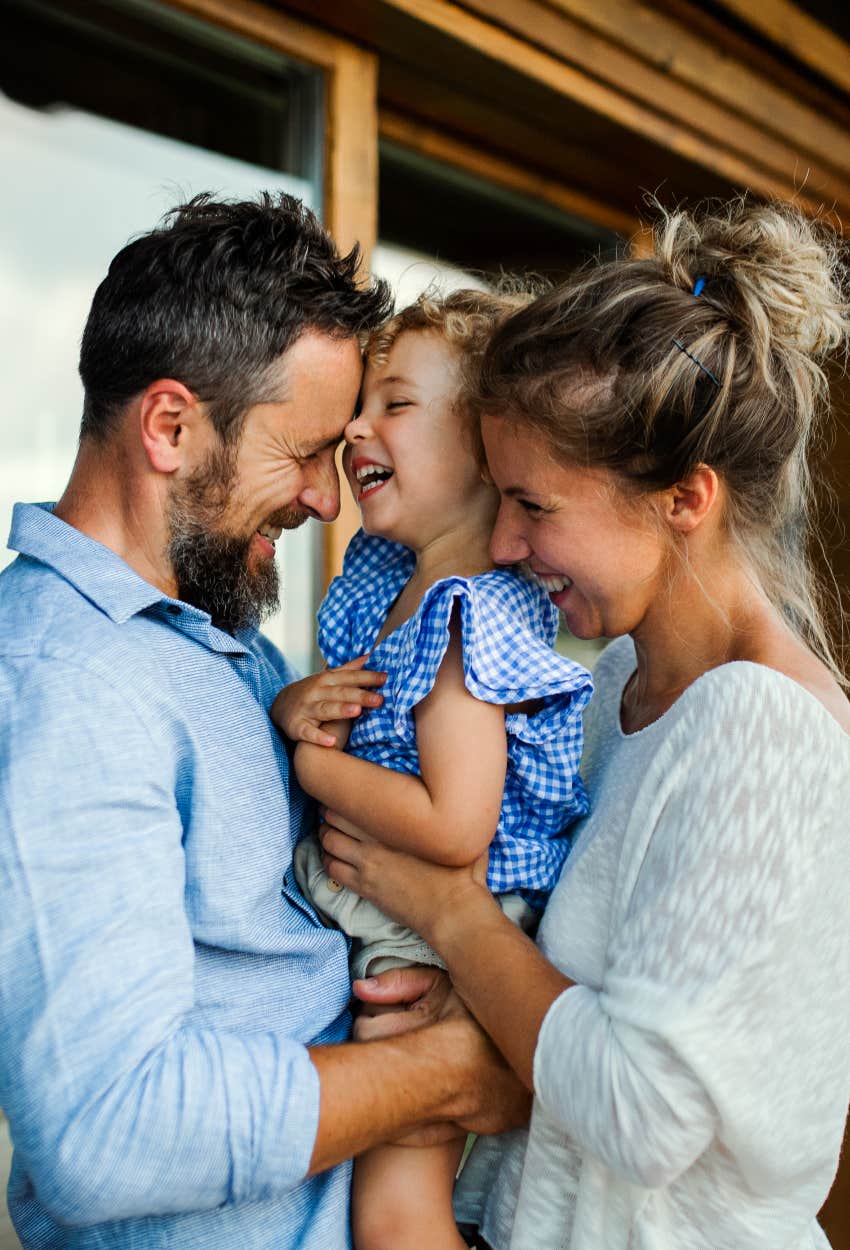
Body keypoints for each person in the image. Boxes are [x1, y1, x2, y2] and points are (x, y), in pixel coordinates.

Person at [318, 197, 850, 1250]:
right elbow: (559, 1033)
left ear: (682, 499)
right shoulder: (612, 686)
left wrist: (451, 915)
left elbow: (643, 1116)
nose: (504, 544)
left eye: (536, 505)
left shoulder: (763, 729)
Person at [0, 193, 529, 1250]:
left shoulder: (221, 643)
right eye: (305, 453)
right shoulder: (66, 685)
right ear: (169, 427)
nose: (328, 501)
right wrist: (451, 1068)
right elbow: (106, 1127)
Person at [270, 292, 593, 1250]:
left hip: (433, 938)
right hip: (389, 909)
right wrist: (300, 705)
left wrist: (309, 767)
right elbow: (350, 706)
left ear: (487, 454)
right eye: (360, 403)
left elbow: (456, 823)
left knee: (395, 1213)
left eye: (395, 404)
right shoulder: (385, 579)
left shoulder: (467, 616)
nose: (356, 427)